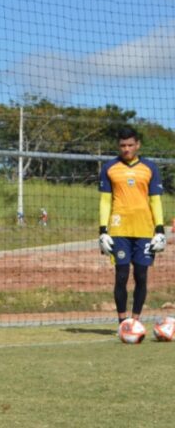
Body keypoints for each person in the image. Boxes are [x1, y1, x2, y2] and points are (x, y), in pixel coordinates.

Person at [98, 126, 166, 326]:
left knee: (141, 275)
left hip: (145, 230)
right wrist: (103, 231)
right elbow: (105, 201)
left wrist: (160, 229)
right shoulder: (109, 168)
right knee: (121, 274)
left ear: (138, 145)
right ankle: (122, 322)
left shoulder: (150, 168)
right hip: (119, 231)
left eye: (130, 145)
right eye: (122, 145)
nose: (126, 149)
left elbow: (155, 201)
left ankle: (135, 321)